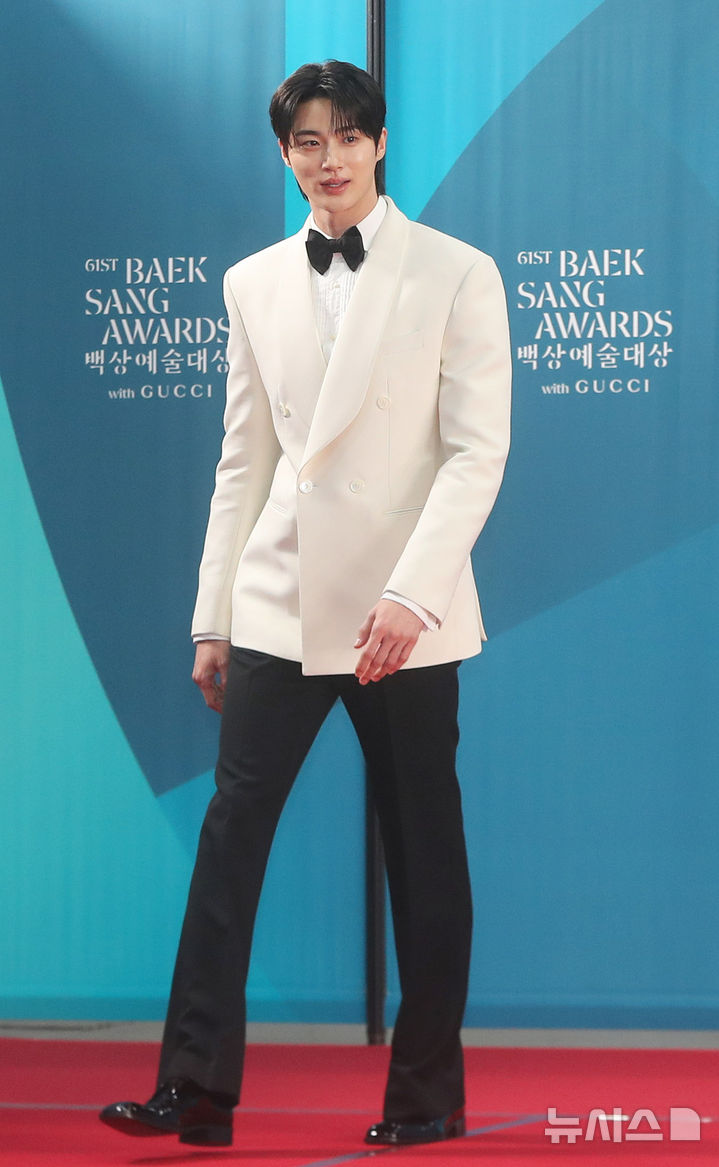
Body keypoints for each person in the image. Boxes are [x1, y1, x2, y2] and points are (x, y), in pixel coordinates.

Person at [100, 59, 511, 1149]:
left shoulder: (457, 272)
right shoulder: (252, 282)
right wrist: (213, 615)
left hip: (404, 614)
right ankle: (195, 1088)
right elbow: (244, 461)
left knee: (424, 853)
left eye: (345, 137)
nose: (327, 160)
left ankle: (425, 1097)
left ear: (379, 143)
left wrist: (411, 595)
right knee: (229, 839)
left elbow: (475, 454)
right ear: (284, 155)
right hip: (278, 600)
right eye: (306, 143)